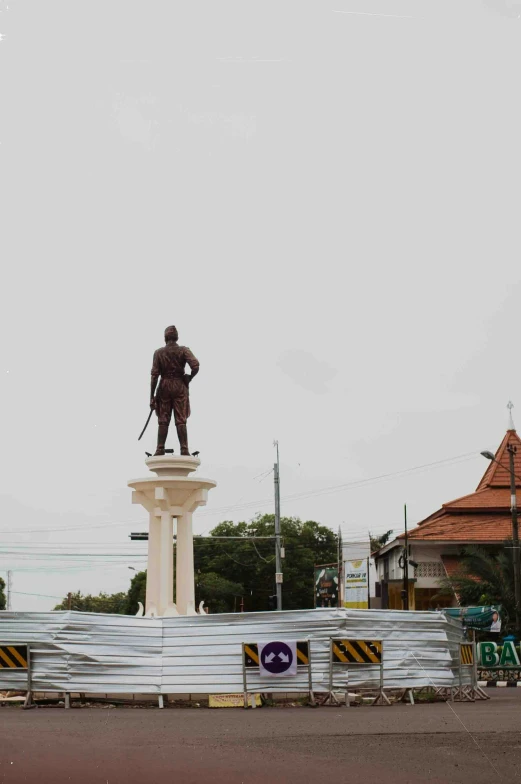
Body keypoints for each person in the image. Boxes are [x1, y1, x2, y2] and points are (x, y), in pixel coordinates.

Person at [150, 325, 200, 456]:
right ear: (176, 337)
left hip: (164, 386)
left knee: (163, 419)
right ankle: (184, 449)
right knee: (181, 420)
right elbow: (195, 365)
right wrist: (189, 377)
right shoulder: (184, 350)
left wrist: (152, 397)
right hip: (179, 385)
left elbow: (154, 376)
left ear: (165, 337)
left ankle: (160, 448)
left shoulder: (158, 352)